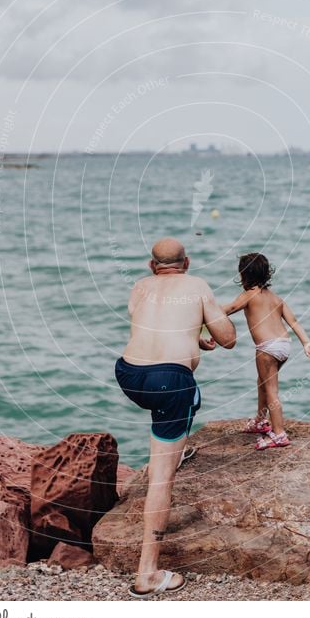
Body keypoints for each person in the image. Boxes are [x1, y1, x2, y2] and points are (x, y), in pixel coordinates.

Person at [115, 237, 236, 597]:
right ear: (187, 262)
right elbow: (228, 338)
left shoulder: (139, 287)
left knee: (167, 407)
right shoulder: (197, 285)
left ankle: (170, 446)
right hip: (170, 382)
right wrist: (204, 327)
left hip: (129, 374)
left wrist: (192, 335)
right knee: (161, 476)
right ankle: (148, 574)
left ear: (152, 265)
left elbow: (154, 326)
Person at [222, 252, 310, 450]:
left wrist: (204, 312)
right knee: (263, 383)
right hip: (284, 345)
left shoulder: (249, 295)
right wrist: (307, 343)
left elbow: (229, 309)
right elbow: (293, 321)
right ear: (267, 274)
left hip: (267, 348)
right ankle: (260, 420)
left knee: (271, 391)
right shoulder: (276, 298)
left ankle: (279, 433)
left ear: (243, 275)